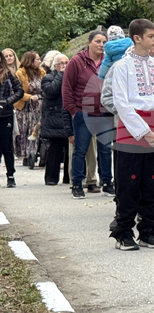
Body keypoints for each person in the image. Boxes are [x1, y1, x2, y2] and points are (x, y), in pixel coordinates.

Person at [107, 20, 154, 250]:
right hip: (131, 128)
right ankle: (123, 231)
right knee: (129, 181)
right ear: (137, 38)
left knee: (152, 181)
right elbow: (121, 102)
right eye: (151, 36)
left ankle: (148, 230)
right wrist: (143, 131)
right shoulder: (122, 66)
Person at [63, 30, 114, 199]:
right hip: (83, 113)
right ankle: (77, 184)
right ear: (89, 42)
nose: (101, 45)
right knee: (80, 149)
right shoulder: (77, 61)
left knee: (105, 150)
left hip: (105, 113)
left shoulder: (109, 61)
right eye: (98, 41)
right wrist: (73, 110)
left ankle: (107, 182)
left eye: (104, 42)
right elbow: (67, 87)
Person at [40, 54, 73, 186]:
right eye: (61, 63)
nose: (64, 66)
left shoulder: (71, 76)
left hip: (67, 116)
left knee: (69, 149)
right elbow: (51, 91)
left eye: (66, 63)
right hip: (54, 118)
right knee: (55, 149)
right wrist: (60, 74)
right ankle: (51, 178)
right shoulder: (48, 78)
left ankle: (68, 177)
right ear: (55, 66)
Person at [14, 51, 45, 168]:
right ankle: (26, 154)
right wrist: (30, 97)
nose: (39, 61)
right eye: (37, 59)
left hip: (39, 105)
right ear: (30, 61)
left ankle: (35, 152)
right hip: (24, 106)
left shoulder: (42, 72)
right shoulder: (20, 73)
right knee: (24, 130)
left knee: (36, 128)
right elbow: (18, 91)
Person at [0, 54, 25, 187]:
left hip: (5, 114)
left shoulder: (9, 74)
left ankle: (10, 175)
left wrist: (7, 102)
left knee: (7, 146)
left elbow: (19, 91)